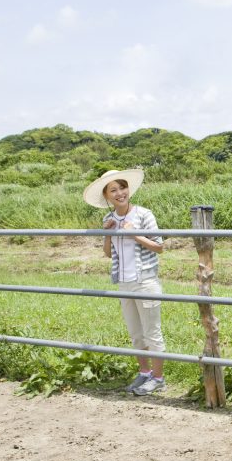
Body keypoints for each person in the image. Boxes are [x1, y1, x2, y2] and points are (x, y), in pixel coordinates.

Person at [83, 169, 167, 396]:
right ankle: (145, 372)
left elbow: (159, 246)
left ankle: (159, 378)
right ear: (107, 196)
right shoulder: (109, 220)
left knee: (152, 332)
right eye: (114, 190)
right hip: (123, 282)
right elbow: (108, 254)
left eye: (122, 187)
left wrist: (136, 235)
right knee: (135, 333)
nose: (120, 193)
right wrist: (108, 233)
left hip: (145, 280)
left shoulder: (143, 214)